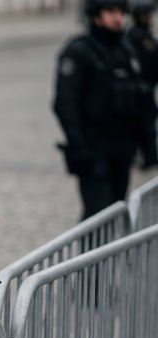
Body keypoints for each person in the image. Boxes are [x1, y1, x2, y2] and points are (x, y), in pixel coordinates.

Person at [53, 0, 154, 220]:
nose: (118, 18)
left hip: (123, 148)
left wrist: (148, 144)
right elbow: (64, 104)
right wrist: (80, 146)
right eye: (110, 12)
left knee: (118, 213)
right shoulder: (79, 52)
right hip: (94, 150)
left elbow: (141, 98)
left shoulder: (125, 49)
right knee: (97, 218)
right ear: (96, 15)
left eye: (120, 12)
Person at [126, 0, 158, 168]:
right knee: (144, 125)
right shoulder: (136, 36)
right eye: (148, 15)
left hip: (147, 86)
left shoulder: (145, 34)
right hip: (141, 89)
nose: (150, 18)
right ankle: (149, 157)